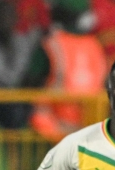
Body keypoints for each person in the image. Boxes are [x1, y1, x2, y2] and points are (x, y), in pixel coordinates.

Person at [27, 0, 108, 143]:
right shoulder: (96, 46)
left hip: (52, 131)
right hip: (90, 134)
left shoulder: (52, 44)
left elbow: (30, 81)